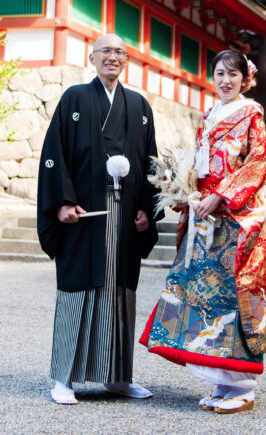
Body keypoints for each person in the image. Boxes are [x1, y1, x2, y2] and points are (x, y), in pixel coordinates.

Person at [140, 50, 266, 414]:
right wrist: (183, 191)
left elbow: (259, 163)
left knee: (231, 298)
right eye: (220, 73)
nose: (226, 81)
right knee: (208, 299)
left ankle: (243, 386)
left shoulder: (251, 115)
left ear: (245, 80)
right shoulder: (209, 116)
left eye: (233, 75)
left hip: (235, 220)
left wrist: (223, 196)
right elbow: (199, 163)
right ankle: (221, 382)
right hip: (205, 218)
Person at [37, 33, 161, 405]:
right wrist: (62, 202)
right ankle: (64, 378)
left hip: (124, 216)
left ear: (126, 60)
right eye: (106, 51)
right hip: (83, 213)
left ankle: (117, 377)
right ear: (92, 58)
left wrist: (146, 208)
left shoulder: (139, 106)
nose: (113, 57)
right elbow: (54, 153)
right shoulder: (74, 98)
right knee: (78, 288)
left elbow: (149, 162)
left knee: (120, 292)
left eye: (120, 52)